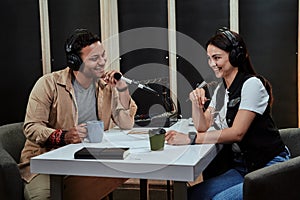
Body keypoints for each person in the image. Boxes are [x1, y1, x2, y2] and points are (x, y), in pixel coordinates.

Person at [165, 27, 290, 200]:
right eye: (209, 59)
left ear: (235, 56)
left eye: (217, 58)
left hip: (266, 167)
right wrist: (196, 104)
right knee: (192, 195)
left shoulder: (251, 85)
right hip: (243, 167)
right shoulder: (220, 90)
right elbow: (202, 127)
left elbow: (237, 133)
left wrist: (190, 138)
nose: (212, 64)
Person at [19, 28, 137, 200]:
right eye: (94, 58)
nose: (103, 62)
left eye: (103, 55)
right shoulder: (48, 84)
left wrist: (123, 90)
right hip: (45, 162)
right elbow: (31, 127)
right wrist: (64, 136)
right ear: (75, 62)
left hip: (87, 159)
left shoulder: (106, 86)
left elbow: (127, 124)